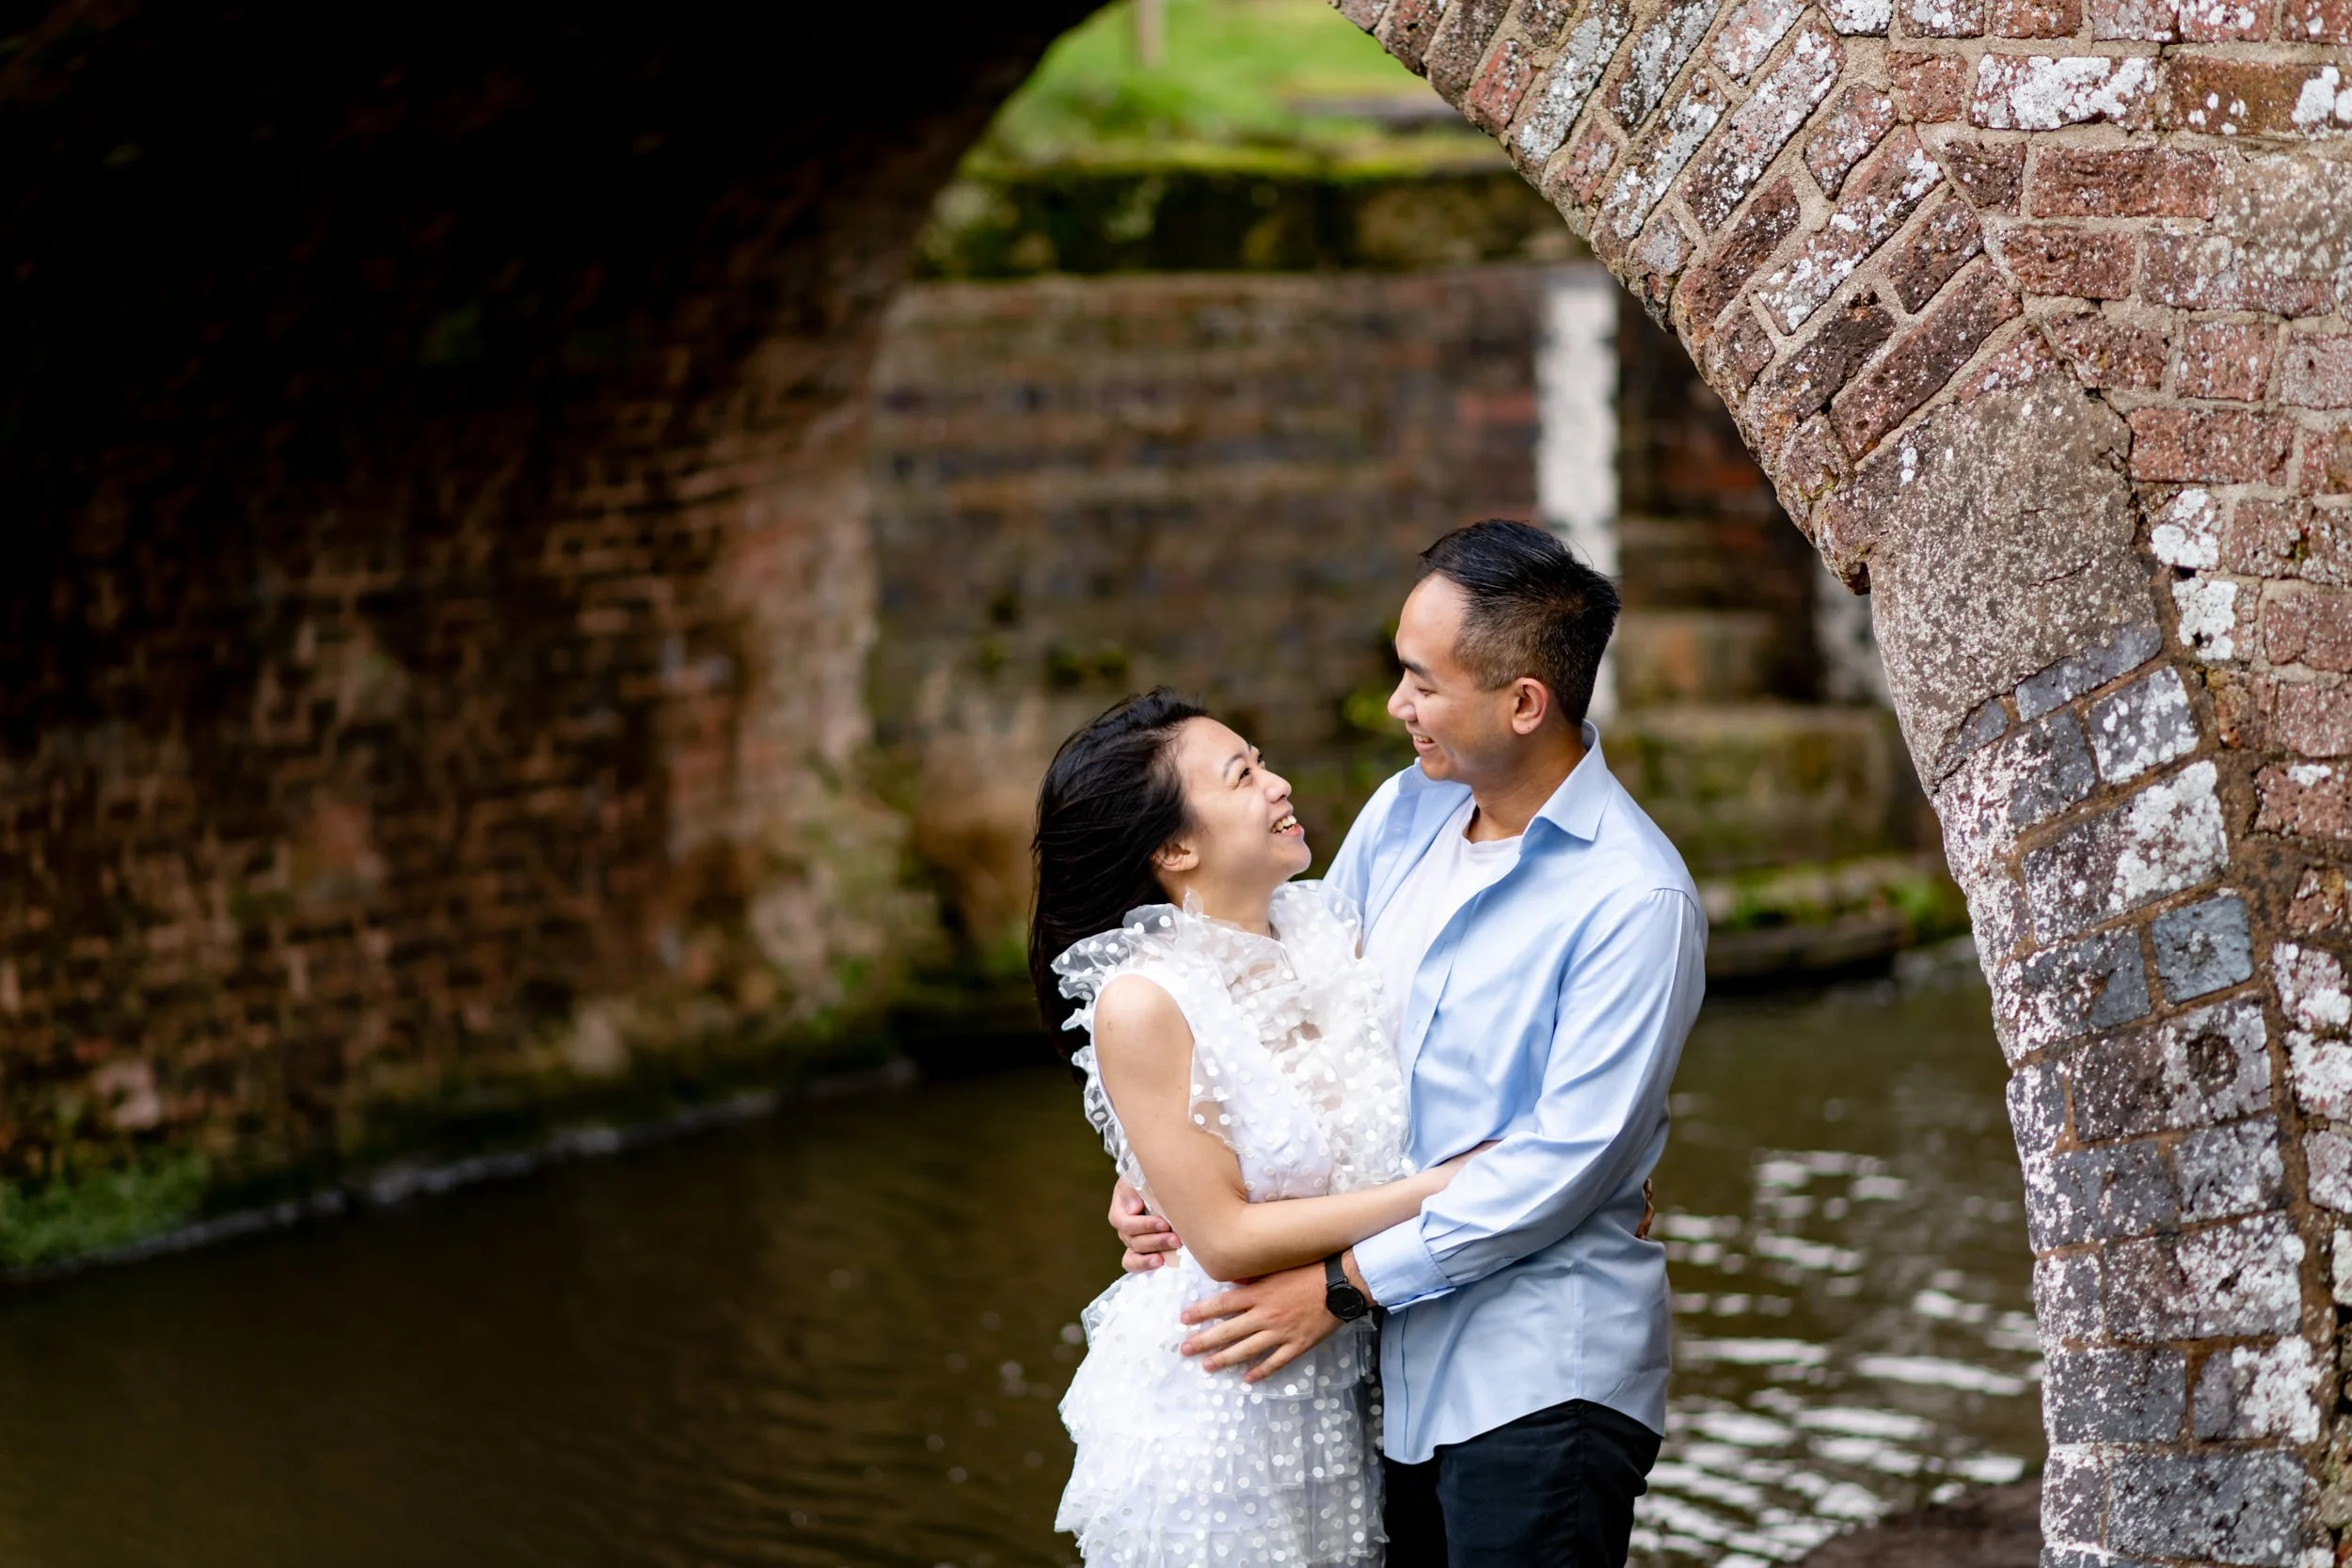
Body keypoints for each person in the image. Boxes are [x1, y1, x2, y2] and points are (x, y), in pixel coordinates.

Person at [1110, 519, 1707, 1568]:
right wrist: (1163, 1172)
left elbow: (1560, 1167)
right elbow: (1291, 1020)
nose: (1396, 707)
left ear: (1524, 703)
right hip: (1387, 1370)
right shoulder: (1402, 814)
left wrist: (1341, 1282)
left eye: (1420, 682)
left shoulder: (1634, 900)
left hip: (1538, 1377)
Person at [1033, 688, 1491, 1568]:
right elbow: (1228, 1237)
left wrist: (1588, 1167)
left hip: (1348, 1390)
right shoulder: (1145, 997)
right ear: (1174, 846)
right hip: (1222, 1406)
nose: (1278, 784)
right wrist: (1454, 1186)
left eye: (1260, 759)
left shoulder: (1326, 927)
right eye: (1242, 776)